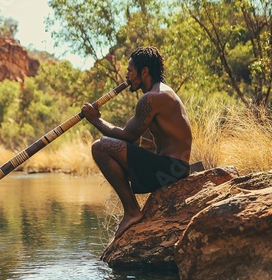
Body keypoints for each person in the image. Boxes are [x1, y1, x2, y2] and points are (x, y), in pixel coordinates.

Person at [81, 46, 192, 239]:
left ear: (144, 71)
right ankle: (132, 210)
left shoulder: (152, 98)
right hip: (174, 168)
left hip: (171, 170)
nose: (127, 76)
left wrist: (95, 119)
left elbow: (126, 136)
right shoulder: (163, 93)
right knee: (115, 153)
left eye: (130, 71)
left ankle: (132, 211)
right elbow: (140, 141)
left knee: (100, 147)